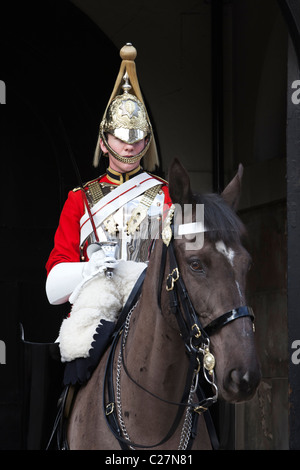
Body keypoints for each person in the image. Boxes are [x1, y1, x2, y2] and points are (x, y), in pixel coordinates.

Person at [45, 44, 172, 385]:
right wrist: (90, 269)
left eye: (136, 138)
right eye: (120, 138)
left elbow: (198, 253)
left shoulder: (168, 193)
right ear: (104, 142)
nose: (129, 146)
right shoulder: (79, 200)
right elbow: (53, 286)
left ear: (146, 143)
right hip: (96, 312)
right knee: (72, 374)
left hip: (155, 310)